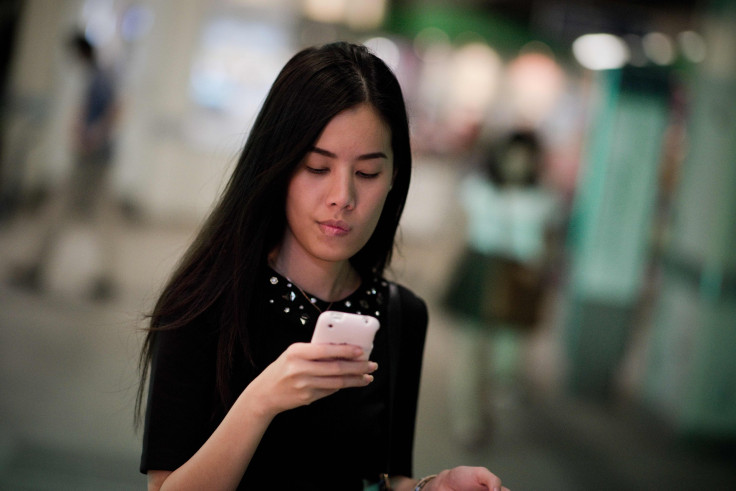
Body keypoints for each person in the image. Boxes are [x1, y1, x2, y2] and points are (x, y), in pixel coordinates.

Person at [136, 42, 509, 491]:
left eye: (367, 173)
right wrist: (261, 402)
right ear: (277, 167)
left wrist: (433, 487)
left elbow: (384, 480)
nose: (343, 197)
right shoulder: (206, 304)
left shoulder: (399, 316)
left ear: (394, 179)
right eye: (317, 166)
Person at [443, 129, 560, 448]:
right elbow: (457, 230)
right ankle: (469, 423)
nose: (519, 163)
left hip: (520, 279)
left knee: (507, 359)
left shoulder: (544, 199)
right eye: (513, 154)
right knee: (470, 352)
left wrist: (544, 273)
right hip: (479, 270)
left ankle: (491, 401)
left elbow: (550, 244)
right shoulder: (478, 190)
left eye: (526, 156)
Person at [9, 32, 120, 300]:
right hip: (95, 159)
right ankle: (104, 277)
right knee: (94, 215)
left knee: (58, 209)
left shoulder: (99, 77)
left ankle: (36, 268)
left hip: (91, 160)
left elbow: (116, 109)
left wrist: (92, 135)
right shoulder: (97, 76)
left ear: (82, 52)